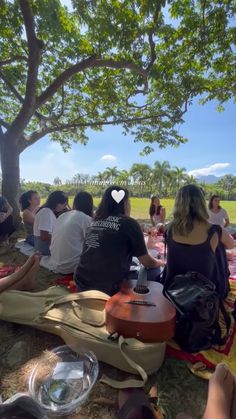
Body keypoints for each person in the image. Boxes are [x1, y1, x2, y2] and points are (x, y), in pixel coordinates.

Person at [74, 186, 164, 295]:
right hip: (108, 289)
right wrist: (161, 262)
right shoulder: (129, 223)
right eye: (129, 201)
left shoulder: (95, 221)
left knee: (134, 261)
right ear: (125, 203)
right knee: (155, 271)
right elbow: (147, 261)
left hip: (81, 284)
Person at [163, 185, 234, 298]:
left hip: (172, 290)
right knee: (219, 246)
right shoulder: (214, 230)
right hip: (203, 296)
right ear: (201, 204)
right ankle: (221, 289)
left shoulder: (168, 229)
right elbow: (231, 244)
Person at [48, 192, 93, 274]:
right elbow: (92, 243)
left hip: (55, 264)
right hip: (72, 266)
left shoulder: (63, 216)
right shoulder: (85, 218)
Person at [33, 191, 68, 255]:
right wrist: (60, 239)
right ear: (57, 203)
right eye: (64, 204)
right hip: (43, 248)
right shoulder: (46, 212)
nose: (64, 207)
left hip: (43, 245)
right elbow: (44, 236)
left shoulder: (48, 211)